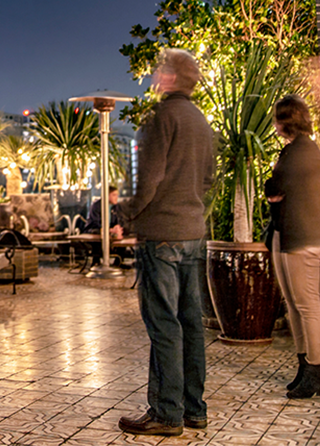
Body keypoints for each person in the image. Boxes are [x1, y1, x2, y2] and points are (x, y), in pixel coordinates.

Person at [118, 49, 215, 437]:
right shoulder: (200, 120)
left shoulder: (161, 117)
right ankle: (194, 409)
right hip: (194, 232)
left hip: (161, 236)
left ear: (171, 78)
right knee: (191, 323)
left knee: (163, 324)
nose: (155, 76)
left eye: (160, 71)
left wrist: (126, 215)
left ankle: (166, 412)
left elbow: (149, 180)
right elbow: (207, 180)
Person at [264, 94, 320, 399]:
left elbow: (273, 187)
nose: (274, 124)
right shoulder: (297, 151)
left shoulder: (301, 152)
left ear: (285, 120)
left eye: (277, 118)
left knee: (306, 304)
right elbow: (275, 190)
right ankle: (304, 366)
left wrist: (275, 189)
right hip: (288, 233)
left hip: (301, 235)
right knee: (294, 304)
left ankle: (315, 370)